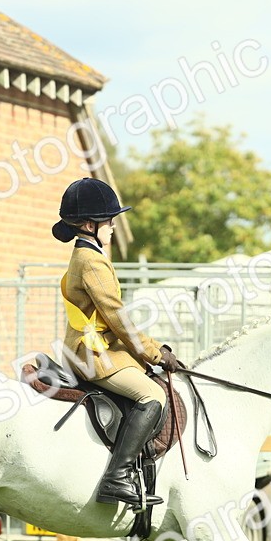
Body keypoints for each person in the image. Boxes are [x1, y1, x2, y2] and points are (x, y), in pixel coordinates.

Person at [53, 177, 179, 507]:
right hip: (92, 354)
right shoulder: (91, 260)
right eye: (109, 220)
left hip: (99, 347)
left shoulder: (88, 254)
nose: (112, 226)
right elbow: (117, 316)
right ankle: (116, 477)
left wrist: (156, 347)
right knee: (153, 395)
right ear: (88, 225)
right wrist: (155, 354)